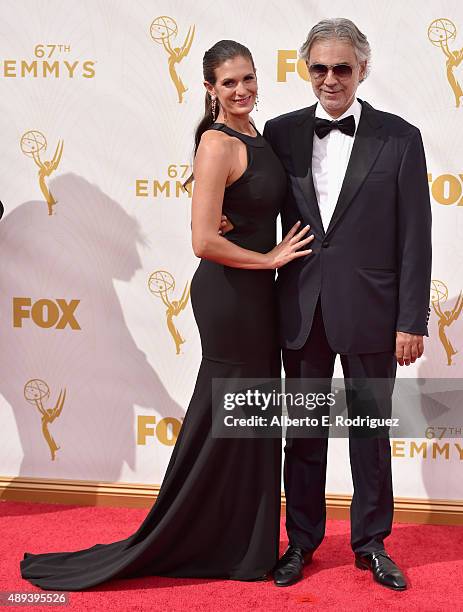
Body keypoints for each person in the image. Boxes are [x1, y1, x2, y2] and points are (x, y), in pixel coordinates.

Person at [20, 40, 313, 591]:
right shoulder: (216, 143)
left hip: (256, 298)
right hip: (230, 296)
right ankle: (215, 541)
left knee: (245, 419)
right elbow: (203, 240)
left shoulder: (259, 135)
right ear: (210, 89)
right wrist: (269, 257)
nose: (243, 89)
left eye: (248, 78)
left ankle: (239, 542)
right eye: (229, 83)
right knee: (238, 415)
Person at [262, 19, 432, 590]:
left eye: (341, 68)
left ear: (363, 69)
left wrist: (411, 320)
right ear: (306, 70)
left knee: (369, 433)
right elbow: (254, 197)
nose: (329, 79)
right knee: (303, 434)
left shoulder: (400, 137)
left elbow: (415, 238)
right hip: (302, 309)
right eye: (319, 68)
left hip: (373, 313)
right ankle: (301, 542)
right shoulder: (279, 133)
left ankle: (370, 543)